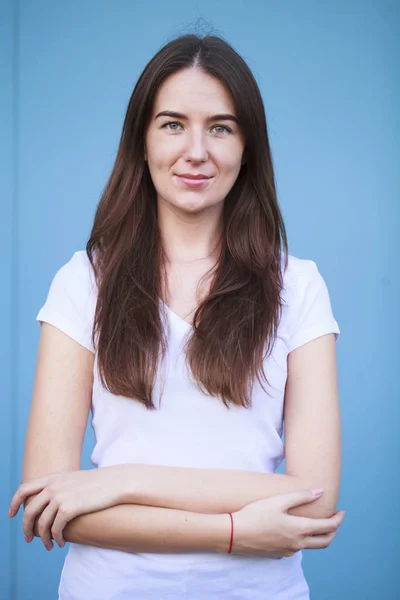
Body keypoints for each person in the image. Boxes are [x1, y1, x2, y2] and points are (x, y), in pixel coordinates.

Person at [8, 33, 345, 600]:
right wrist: (235, 530)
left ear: (247, 147)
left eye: (220, 126)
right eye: (172, 124)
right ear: (141, 141)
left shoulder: (298, 286)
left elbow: (312, 497)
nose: (196, 150)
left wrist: (117, 482)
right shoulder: (82, 283)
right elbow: (50, 501)